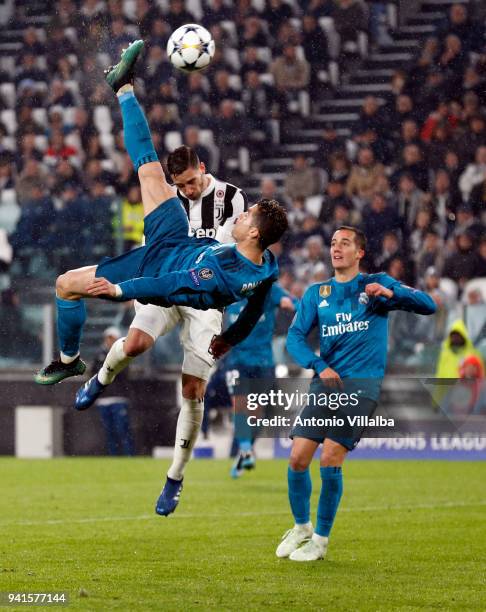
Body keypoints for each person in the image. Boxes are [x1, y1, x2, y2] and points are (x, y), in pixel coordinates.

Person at [76, 146, 248, 516]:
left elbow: (218, 255)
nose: (186, 190)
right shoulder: (166, 200)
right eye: (179, 185)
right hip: (165, 284)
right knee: (135, 342)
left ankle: (175, 477)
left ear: (203, 168)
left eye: (190, 182)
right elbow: (150, 245)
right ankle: (101, 379)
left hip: (203, 296)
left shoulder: (230, 197)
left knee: (192, 389)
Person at [276, 226, 436, 561]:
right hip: (325, 384)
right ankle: (301, 527)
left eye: (344, 244)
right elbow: (294, 339)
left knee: (330, 457)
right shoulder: (316, 293)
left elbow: (428, 304)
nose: (336, 248)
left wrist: (393, 295)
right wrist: (319, 365)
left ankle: (320, 541)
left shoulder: (375, 284)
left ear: (359, 252)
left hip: (361, 387)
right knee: (297, 459)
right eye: (333, 243)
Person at [219, 283, 296, 478]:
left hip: (262, 361)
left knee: (256, 414)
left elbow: (292, 301)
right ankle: (245, 450)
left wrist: (289, 303)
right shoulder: (231, 289)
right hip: (236, 360)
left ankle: (244, 453)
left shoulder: (270, 290)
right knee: (239, 403)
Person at [92, 327, 135, 456]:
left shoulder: (123, 354)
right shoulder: (99, 355)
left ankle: (129, 455)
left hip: (118, 397)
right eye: (108, 338)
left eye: (113, 338)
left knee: (122, 429)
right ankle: (114, 456)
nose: (110, 341)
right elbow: (94, 374)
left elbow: (122, 374)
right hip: (104, 399)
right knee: (109, 431)